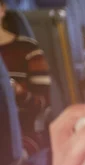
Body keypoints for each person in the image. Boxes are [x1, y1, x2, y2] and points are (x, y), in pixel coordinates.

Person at [0, 0, 50, 155]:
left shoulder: (28, 49)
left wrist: (17, 91)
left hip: (20, 131)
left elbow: (42, 103)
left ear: (2, 10)